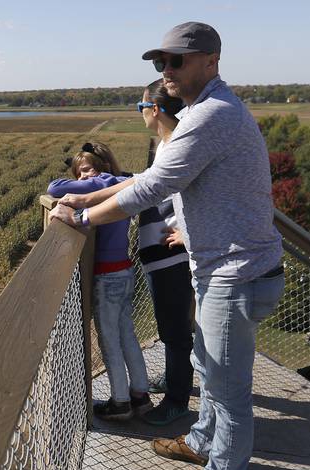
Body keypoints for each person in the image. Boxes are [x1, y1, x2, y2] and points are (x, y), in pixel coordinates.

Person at [49, 21, 284, 470]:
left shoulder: (211, 115)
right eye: (161, 62)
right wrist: (87, 192)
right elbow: (154, 175)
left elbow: (150, 190)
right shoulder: (209, 111)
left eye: (176, 61)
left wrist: (83, 215)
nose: (166, 71)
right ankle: (201, 441)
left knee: (227, 385)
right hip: (225, 269)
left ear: (211, 61)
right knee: (207, 365)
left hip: (235, 274)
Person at [73, 80, 195, 426]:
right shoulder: (169, 144)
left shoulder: (177, 145)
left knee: (173, 331)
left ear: (154, 110)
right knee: (170, 328)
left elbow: (145, 190)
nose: (140, 113)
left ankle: (175, 400)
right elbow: (142, 181)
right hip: (159, 255)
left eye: (141, 107)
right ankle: (169, 385)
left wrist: (83, 211)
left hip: (170, 255)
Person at [47, 142, 152, 421]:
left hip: (107, 276)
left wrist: (85, 181)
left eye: (86, 169)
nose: (83, 177)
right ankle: (140, 395)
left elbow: (54, 189)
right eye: (79, 173)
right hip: (124, 271)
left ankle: (120, 402)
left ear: (101, 168)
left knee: (108, 341)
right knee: (126, 335)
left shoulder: (100, 183)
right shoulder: (121, 182)